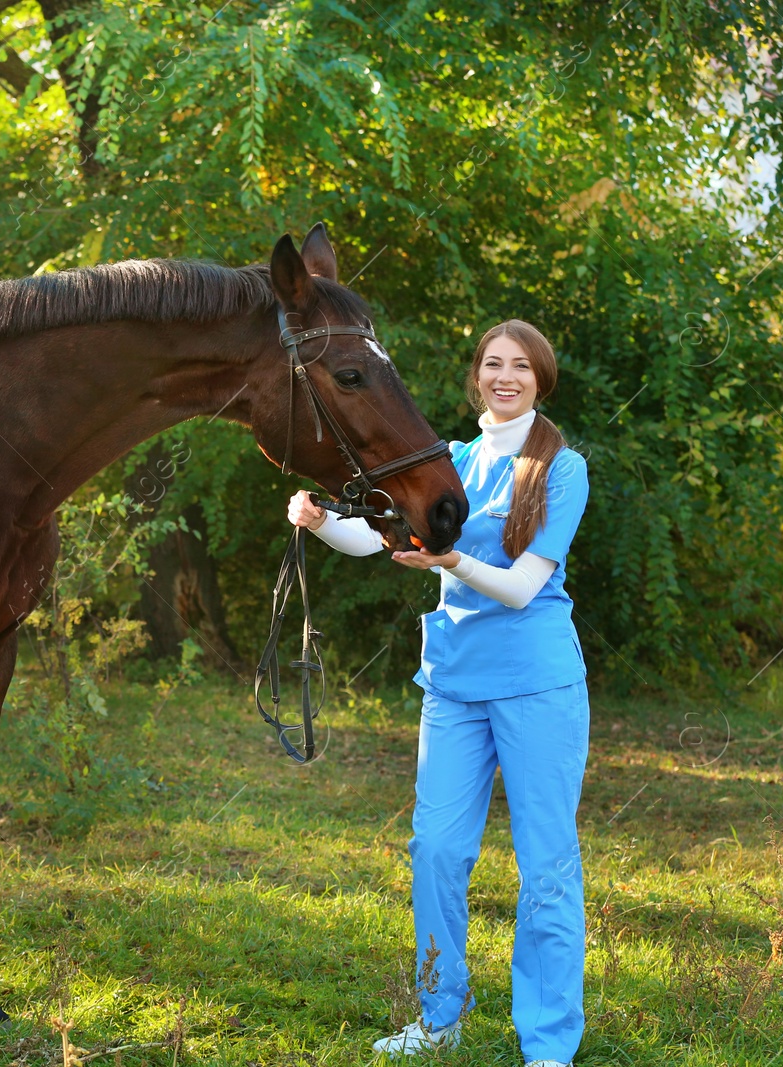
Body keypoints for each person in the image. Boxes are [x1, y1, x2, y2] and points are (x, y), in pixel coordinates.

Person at [287, 320, 591, 1067]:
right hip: (452, 685)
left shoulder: (561, 466)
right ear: (476, 375)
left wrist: (453, 560)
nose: (505, 376)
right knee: (435, 851)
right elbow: (384, 539)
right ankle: (438, 1014)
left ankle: (548, 1044)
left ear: (540, 378)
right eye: (493, 363)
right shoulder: (448, 458)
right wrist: (325, 522)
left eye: (521, 366)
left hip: (537, 685)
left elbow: (522, 588)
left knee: (545, 863)